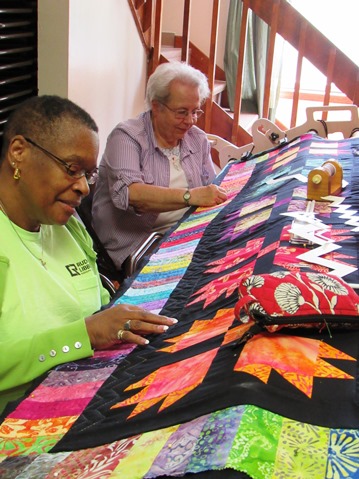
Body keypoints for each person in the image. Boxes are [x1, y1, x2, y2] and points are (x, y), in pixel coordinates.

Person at [0, 95, 177, 414]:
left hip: (90, 395)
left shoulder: (68, 226)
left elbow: (98, 304)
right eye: (72, 169)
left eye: (89, 175)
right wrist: (85, 334)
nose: (83, 187)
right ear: (18, 153)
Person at [92, 62, 228, 270]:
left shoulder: (197, 139)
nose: (190, 120)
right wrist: (190, 196)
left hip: (186, 231)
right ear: (156, 106)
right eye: (182, 112)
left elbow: (211, 187)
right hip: (138, 241)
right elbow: (131, 194)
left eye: (195, 111)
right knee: (197, 274)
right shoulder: (127, 137)